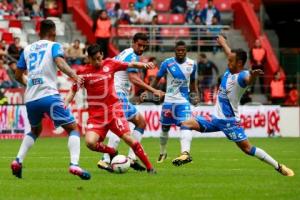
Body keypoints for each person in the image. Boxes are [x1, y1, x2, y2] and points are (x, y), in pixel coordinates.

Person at [178, 35, 294, 176]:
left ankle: (278, 166)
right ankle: (185, 154)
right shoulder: (231, 68)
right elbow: (230, 53)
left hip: (230, 122)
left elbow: (248, 80)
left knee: (247, 149)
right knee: (185, 124)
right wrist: (223, 43)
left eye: (231, 61)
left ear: (239, 63)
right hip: (214, 119)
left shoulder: (241, 75)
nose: (228, 62)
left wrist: (253, 76)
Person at [10, 19, 91, 180]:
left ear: (39, 32)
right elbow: (59, 62)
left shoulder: (27, 49)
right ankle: (74, 164)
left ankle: (18, 160)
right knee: (73, 128)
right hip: (49, 95)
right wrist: (75, 75)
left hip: (31, 98)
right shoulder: (53, 46)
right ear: (53, 32)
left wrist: (30, 83)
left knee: (35, 130)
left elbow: (18, 75)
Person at [64, 44, 156, 174]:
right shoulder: (83, 73)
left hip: (114, 111)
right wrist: (66, 103)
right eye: (94, 59)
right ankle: (112, 152)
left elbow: (129, 64)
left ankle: (150, 168)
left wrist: (144, 65)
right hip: (96, 116)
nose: (98, 61)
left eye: (99, 58)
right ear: (89, 58)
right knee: (90, 143)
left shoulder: (110, 63)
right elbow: (73, 90)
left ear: (101, 55)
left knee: (128, 138)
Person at [99, 33, 165, 171]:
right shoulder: (132, 56)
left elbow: (123, 78)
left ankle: (131, 158)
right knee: (121, 127)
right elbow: (133, 78)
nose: (141, 48)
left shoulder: (126, 53)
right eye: (139, 45)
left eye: (144, 46)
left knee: (140, 123)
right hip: (116, 95)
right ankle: (105, 159)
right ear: (133, 42)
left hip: (115, 94)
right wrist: (154, 91)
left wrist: (135, 97)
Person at [150, 41, 199, 165]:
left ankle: (185, 153)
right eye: (178, 50)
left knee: (186, 125)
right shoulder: (167, 63)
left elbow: (193, 83)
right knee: (165, 128)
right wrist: (148, 90)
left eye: (183, 50)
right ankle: (163, 152)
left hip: (183, 101)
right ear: (175, 51)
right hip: (169, 101)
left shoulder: (192, 64)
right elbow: (156, 79)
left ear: (186, 51)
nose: (181, 52)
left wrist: (195, 95)